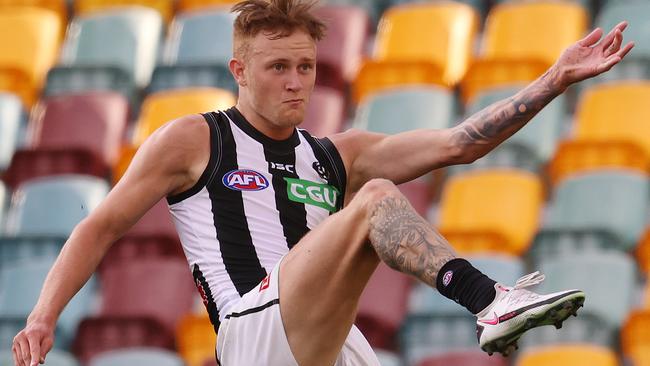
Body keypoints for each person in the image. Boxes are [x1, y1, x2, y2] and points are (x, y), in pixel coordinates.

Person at [12, 0, 634, 365]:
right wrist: (43, 316)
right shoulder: (195, 139)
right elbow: (100, 225)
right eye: (277, 66)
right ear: (239, 70)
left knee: (371, 199)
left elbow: (459, 144)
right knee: (376, 202)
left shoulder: (337, 154)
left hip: (328, 342)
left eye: (306, 67)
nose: (295, 81)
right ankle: (489, 300)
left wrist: (551, 81)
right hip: (252, 328)